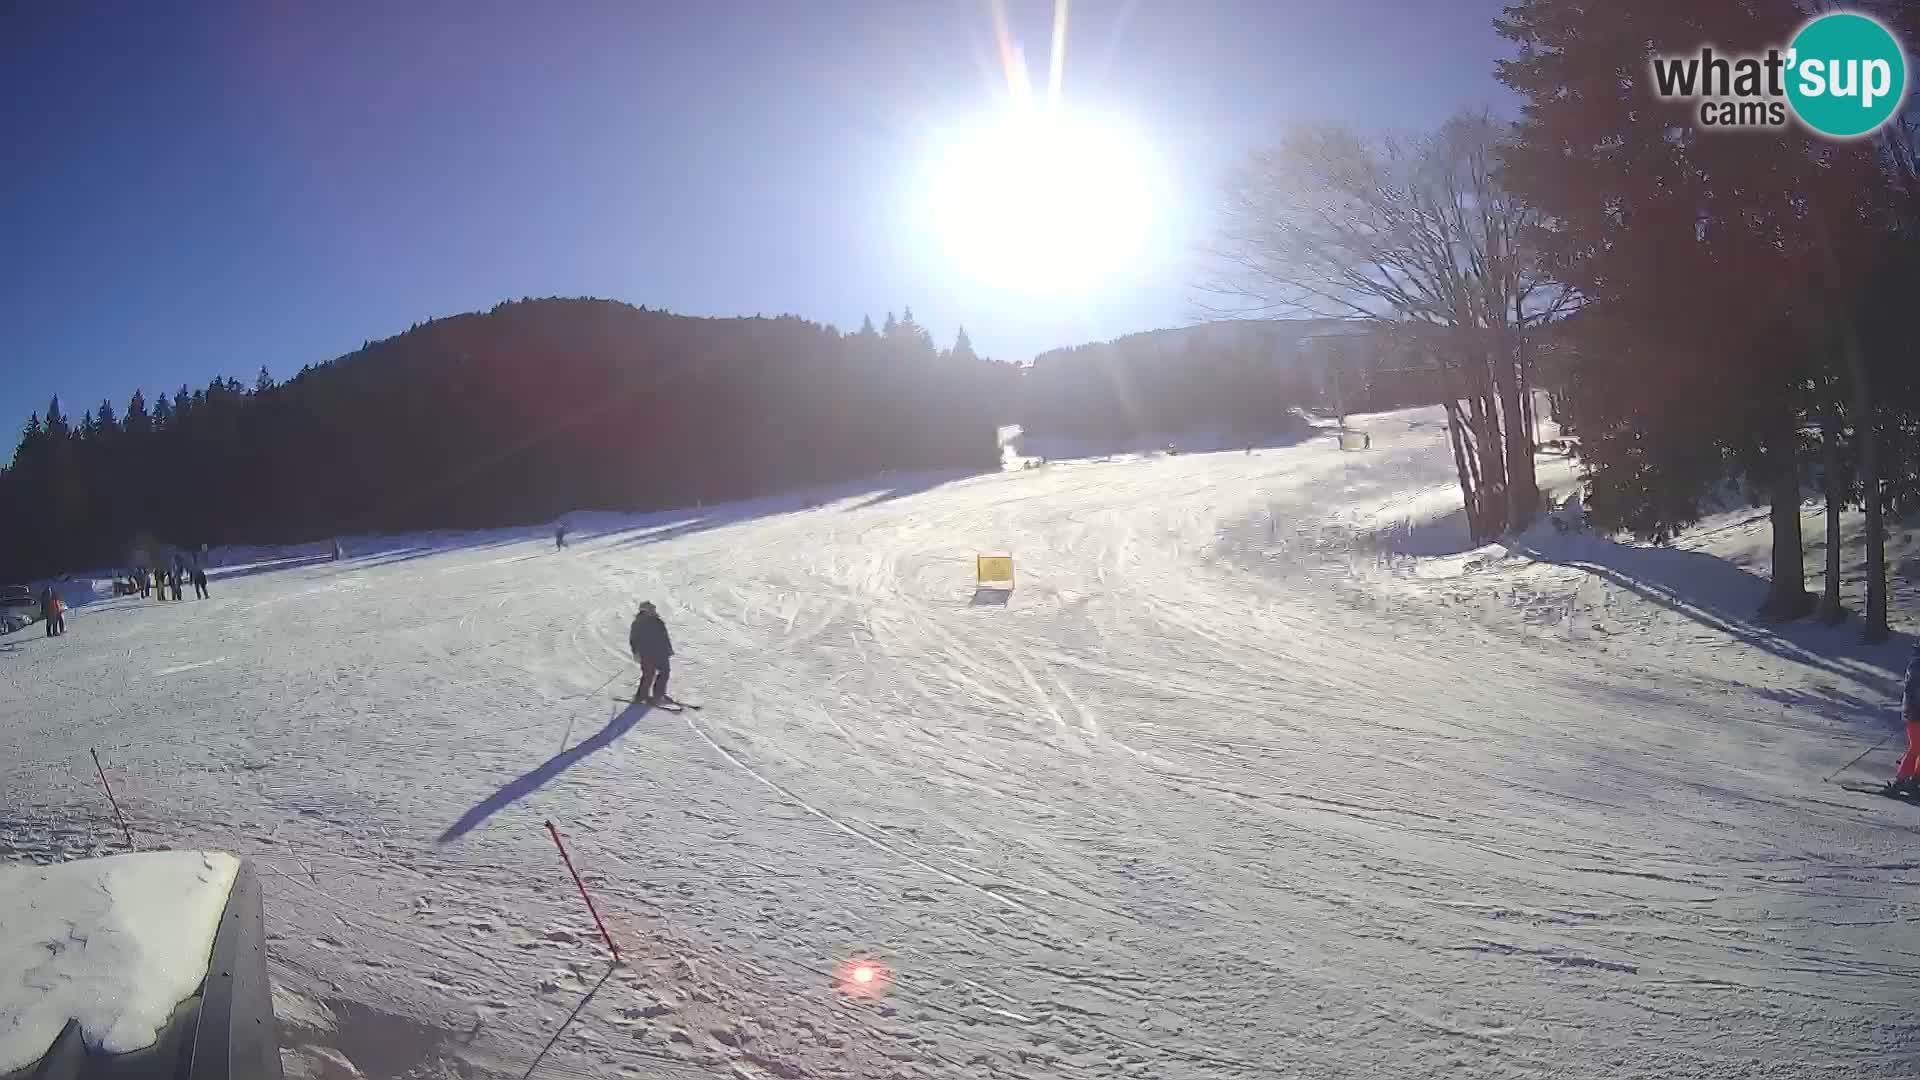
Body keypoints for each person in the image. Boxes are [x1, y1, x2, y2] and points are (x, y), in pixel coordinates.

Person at [1886, 641, 1920, 795]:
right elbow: (1913, 689)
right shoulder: (1917, 665)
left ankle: (1915, 780)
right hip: (1915, 712)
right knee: (1916, 747)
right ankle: (1901, 780)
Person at [628, 600, 674, 704]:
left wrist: (668, 649)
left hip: (661, 652)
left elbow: (664, 637)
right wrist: (636, 652)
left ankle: (659, 695)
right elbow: (633, 639)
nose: (653, 610)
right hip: (647, 653)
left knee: (665, 672)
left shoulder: (658, 621)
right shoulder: (639, 622)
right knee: (649, 675)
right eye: (651, 609)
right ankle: (641, 697)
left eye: (653, 608)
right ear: (644, 610)